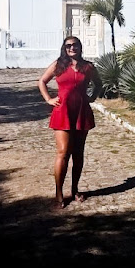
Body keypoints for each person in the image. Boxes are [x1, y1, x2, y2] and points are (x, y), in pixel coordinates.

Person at [38, 36, 103, 209]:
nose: (72, 48)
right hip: (62, 112)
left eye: (75, 45)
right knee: (63, 152)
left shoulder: (88, 67)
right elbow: (42, 81)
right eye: (68, 46)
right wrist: (49, 99)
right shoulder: (58, 65)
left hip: (81, 112)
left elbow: (98, 84)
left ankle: (75, 189)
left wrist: (92, 98)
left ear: (80, 47)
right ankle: (59, 193)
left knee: (78, 153)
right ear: (64, 48)